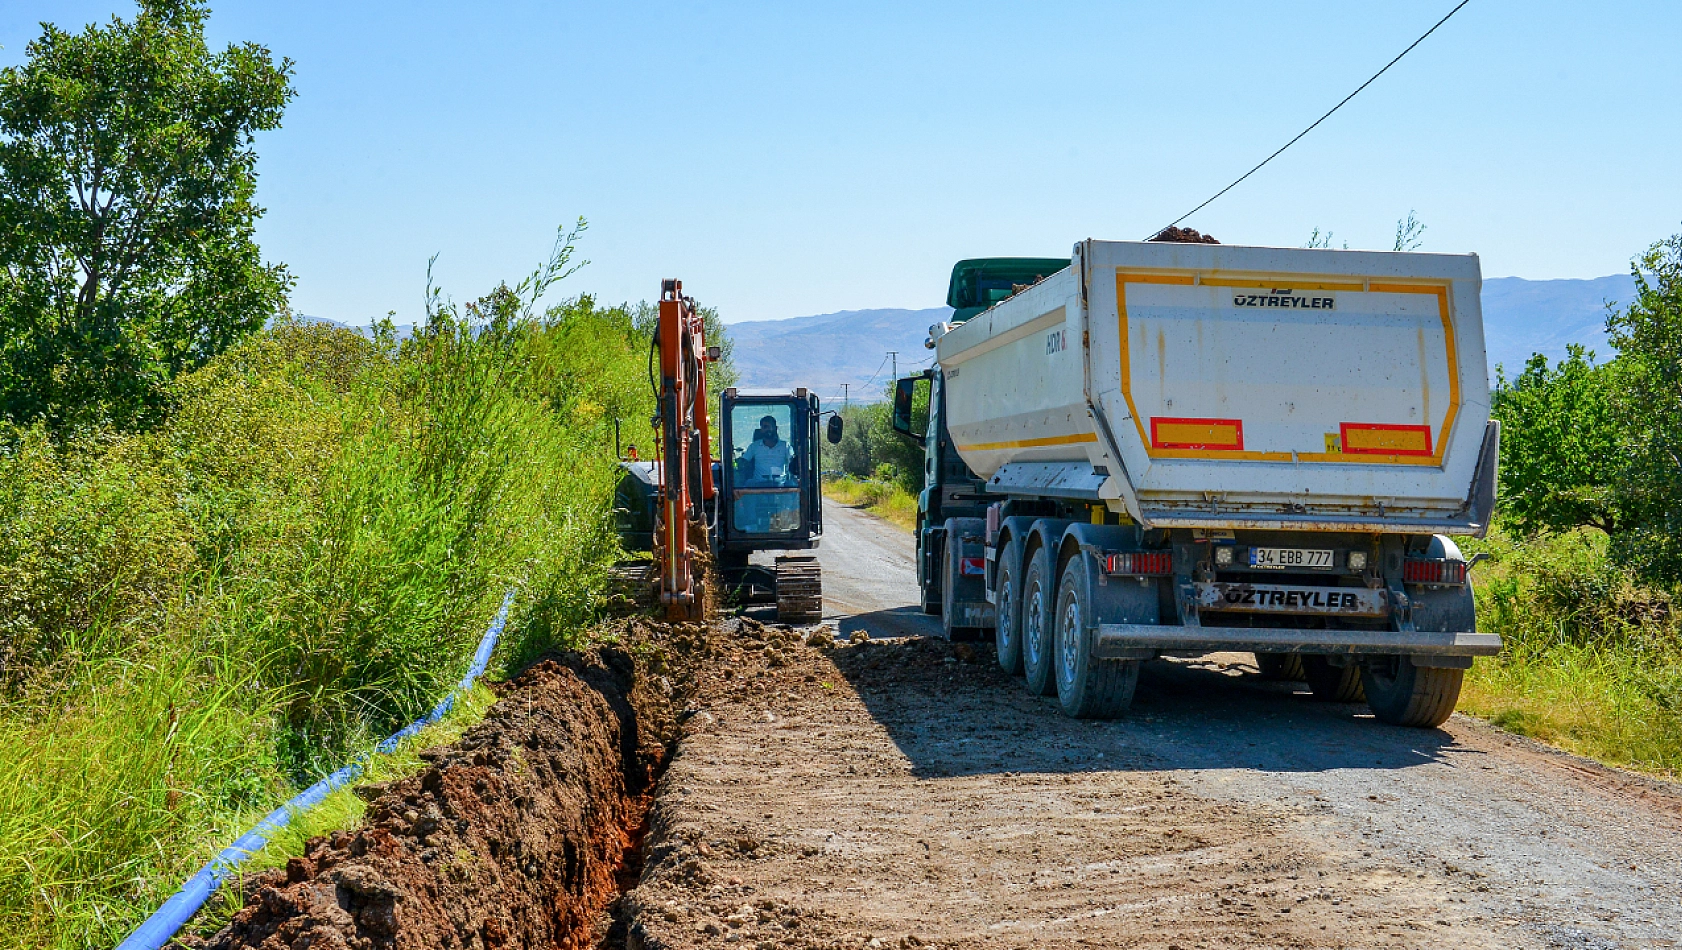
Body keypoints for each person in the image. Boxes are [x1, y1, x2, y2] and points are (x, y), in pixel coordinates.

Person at [739, 415, 793, 485]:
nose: (768, 429)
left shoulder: (785, 446)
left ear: (776, 428)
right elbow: (744, 462)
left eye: (771, 427)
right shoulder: (754, 446)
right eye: (765, 427)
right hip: (758, 485)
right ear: (761, 430)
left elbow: (792, 461)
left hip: (780, 485)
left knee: (792, 484)